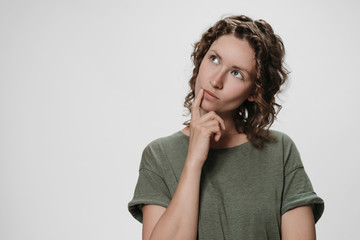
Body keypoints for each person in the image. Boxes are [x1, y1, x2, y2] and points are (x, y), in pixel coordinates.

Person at [128, 15, 324, 240]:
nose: (216, 80)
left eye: (237, 73)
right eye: (214, 59)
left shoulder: (280, 151)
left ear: (254, 91)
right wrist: (193, 162)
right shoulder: (159, 155)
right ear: (201, 59)